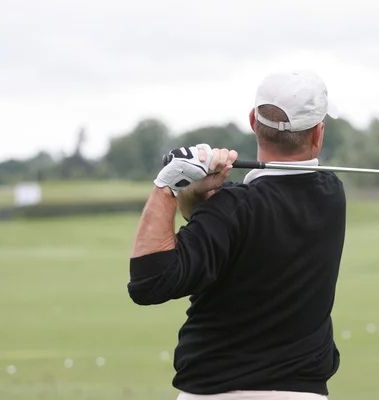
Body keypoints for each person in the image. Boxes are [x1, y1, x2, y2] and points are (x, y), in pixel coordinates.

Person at [127, 71, 347, 400]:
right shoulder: (332, 195)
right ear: (318, 134)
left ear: (252, 122)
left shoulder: (231, 208)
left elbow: (150, 280)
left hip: (214, 391)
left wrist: (169, 186)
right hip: (304, 393)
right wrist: (200, 200)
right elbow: (239, 230)